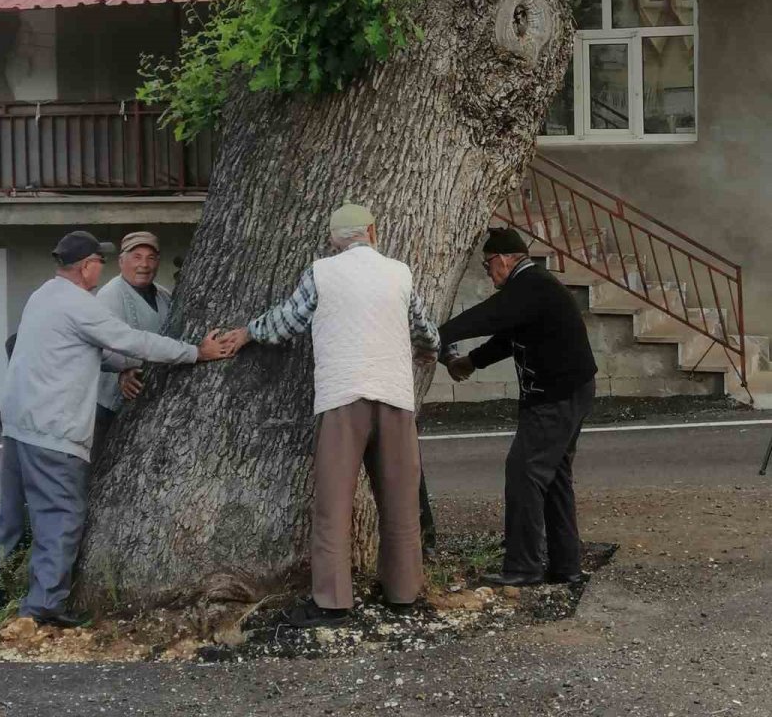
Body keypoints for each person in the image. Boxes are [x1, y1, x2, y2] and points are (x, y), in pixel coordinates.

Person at [0, 230, 232, 627]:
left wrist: (124, 366)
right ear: (86, 267)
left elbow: (82, 350)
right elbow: (133, 341)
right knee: (61, 516)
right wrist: (196, 352)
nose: (102, 267)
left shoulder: (44, 295)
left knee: (11, 516)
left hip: (19, 425)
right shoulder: (81, 305)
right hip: (54, 429)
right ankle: (43, 608)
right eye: (99, 261)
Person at [221, 203, 440, 628]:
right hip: (395, 395)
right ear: (372, 232)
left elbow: (286, 322)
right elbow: (423, 328)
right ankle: (403, 593)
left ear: (334, 240)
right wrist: (430, 348)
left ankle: (333, 601)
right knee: (400, 499)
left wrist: (248, 331)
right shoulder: (400, 273)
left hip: (343, 397)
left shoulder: (322, 272)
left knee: (334, 503)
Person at [438, 227, 597, 587]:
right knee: (554, 476)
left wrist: (438, 334)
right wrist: (471, 362)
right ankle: (566, 566)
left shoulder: (531, 285)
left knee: (524, 473)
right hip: (571, 390)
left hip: (555, 395)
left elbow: (488, 317)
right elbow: (508, 337)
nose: (488, 273)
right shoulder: (531, 289)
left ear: (506, 259)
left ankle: (524, 567)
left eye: (488, 265)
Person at [91, 230, 176, 462]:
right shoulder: (110, 295)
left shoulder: (164, 295)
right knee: (100, 462)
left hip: (149, 400)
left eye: (151, 258)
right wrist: (122, 370)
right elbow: (101, 347)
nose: (144, 265)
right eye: (136, 257)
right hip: (108, 402)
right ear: (121, 261)